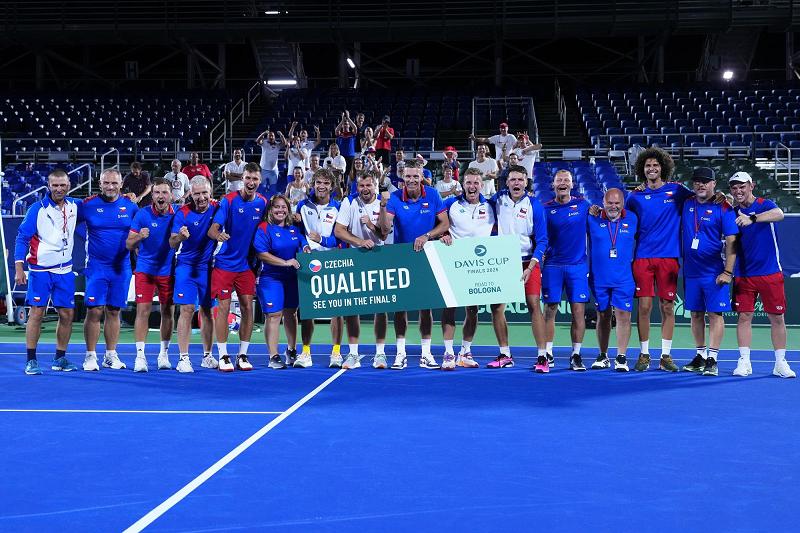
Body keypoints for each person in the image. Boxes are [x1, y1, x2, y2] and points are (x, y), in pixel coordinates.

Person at [624, 147, 695, 372]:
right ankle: (644, 354)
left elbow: (701, 198)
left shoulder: (677, 191)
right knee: (644, 307)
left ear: (663, 167)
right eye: (648, 165)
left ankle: (665, 356)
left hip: (668, 257)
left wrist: (723, 197)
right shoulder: (634, 197)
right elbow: (620, 219)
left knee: (667, 307)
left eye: (655, 165)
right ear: (642, 169)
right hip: (642, 257)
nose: (652, 168)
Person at [379, 159, 450, 370]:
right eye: (408, 176)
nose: (411, 180)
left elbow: (444, 224)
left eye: (415, 176)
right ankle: (400, 353)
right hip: (402, 258)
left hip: (427, 257)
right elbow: (384, 229)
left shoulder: (433, 195)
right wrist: (382, 206)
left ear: (422, 177)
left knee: (425, 308)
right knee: (400, 308)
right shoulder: (394, 198)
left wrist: (427, 235)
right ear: (403, 177)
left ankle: (426, 354)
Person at [729, 171, 795, 378]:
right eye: (734, 188)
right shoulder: (732, 212)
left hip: (770, 271)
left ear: (751, 186)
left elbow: (780, 214)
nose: (738, 191)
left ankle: (780, 363)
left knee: (777, 318)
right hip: (743, 274)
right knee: (744, 317)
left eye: (742, 186)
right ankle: (744, 361)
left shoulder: (764, 204)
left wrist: (752, 218)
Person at [14, 170, 80, 375]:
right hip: (40, 270)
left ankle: (59, 358)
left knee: (67, 314)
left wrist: (126, 197)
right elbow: (22, 238)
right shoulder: (37, 209)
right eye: (55, 185)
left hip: (65, 270)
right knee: (37, 313)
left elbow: (99, 204)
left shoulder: (75, 205)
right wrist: (19, 268)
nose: (59, 189)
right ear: (49, 186)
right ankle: (31, 360)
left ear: (69, 185)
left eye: (63, 185)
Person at [678, 168, 738, 377]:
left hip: (714, 272)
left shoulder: (724, 207)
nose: (701, 185)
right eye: (697, 181)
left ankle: (713, 359)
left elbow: (732, 241)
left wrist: (728, 271)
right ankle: (700, 356)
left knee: (714, 314)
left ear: (714, 184)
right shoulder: (686, 203)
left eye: (705, 181)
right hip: (691, 272)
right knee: (695, 314)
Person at [208, 162, 268, 372]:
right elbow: (212, 229)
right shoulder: (229, 200)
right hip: (225, 264)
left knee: (247, 308)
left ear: (260, 181)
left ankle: (242, 354)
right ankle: (223, 355)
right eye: (248, 178)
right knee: (223, 309)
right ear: (242, 179)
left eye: (255, 179)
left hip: (247, 266)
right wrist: (218, 235)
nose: (251, 182)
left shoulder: (263, 203)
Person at [80, 168, 139, 371]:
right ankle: (90, 356)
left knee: (114, 311)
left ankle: (110, 355)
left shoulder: (131, 206)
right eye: (106, 183)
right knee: (94, 310)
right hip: (96, 267)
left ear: (121, 184)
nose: (110, 186)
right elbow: (65, 216)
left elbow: (138, 235)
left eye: (114, 183)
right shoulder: (87, 205)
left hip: (121, 267)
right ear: (100, 184)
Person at [490, 164, 548, 370]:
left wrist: (531, 266)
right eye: (513, 179)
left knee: (534, 305)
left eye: (520, 179)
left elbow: (542, 240)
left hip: (527, 262)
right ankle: (505, 354)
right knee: (497, 308)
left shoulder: (535, 205)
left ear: (526, 182)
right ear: (507, 182)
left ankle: (542, 357)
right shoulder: (497, 200)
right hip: (503, 262)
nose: (516, 183)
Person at [439, 168, 495, 370]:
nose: (472, 187)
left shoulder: (491, 206)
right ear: (462, 184)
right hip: (454, 263)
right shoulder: (450, 204)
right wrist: (443, 234)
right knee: (450, 308)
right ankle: (448, 353)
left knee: (473, 310)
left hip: (479, 267)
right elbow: (437, 223)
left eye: (476, 183)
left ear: (482, 185)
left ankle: (465, 352)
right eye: (468, 182)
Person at [334, 171, 390, 369]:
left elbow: (384, 234)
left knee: (380, 308)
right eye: (361, 185)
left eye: (368, 185)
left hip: (380, 258)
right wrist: (359, 242)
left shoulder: (384, 203)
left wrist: (372, 224)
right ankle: (353, 353)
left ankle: (380, 353)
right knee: (352, 308)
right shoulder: (349, 202)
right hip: (355, 258)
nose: (365, 189)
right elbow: (339, 230)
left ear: (375, 186)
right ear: (357, 186)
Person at [541, 170, 591, 371]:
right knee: (550, 310)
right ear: (553, 185)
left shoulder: (584, 205)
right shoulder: (545, 208)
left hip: (577, 267)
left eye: (566, 180)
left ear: (572, 185)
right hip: (552, 266)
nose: (562, 183)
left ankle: (576, 355)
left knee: (578, 311)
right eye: (559, 180)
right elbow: (537, 234)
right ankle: (547, 353)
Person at [125, 178, 177, 372]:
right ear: (152, 195)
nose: (160, 196)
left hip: (167, 271)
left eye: (164, 192)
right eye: (157, 192)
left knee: (167, 312)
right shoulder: (142, 214)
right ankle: (140, 357)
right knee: (143, 311)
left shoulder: (177, 214)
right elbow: (129, 244)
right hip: (145, 270)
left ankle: (164, 354)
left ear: (171, 195)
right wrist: (139, 236)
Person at [254, 195, 310, 369]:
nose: (280, 210)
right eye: (276, 207)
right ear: (270, 210)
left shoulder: (293, 229)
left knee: (291, 313)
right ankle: (273, 356)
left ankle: (291, 350)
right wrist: (285, 262)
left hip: (292, 278)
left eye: (283, 207)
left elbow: (302, 242)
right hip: (270, 278)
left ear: (288, 209)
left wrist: (306, 248)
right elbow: (262, 254)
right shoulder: (264, 228)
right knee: (273, 315)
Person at [169, 177, 220, 372]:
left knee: (207, 311)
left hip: (207, 268)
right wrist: (180, 237)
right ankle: (183, 358)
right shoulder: (183, 213)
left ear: (210, 192)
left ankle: (208, 356)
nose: (201, 197)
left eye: (204, 192)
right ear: (190, 194)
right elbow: (171, 243)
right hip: (186, 267)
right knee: (187, 309)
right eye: (196, 193)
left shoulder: (217, 208)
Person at [295, 168, 343, 368]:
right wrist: (304, 246)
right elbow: (297, 232)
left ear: (332, 187)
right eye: (318, 182)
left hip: (332, 260)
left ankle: (336, 352)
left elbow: (340, 237)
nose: (321, 186)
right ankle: (306, 352)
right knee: (308, 310)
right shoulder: (302, 205)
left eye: (326, 183)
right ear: (313, 184)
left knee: (336, 310)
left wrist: (322, 240)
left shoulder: (338, 207)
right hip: (310, 261)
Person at [587, 188, 638, 372]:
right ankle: (603, 355)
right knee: (603, 315)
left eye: (617, 203)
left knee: (624, 316)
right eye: (610, 203)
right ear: (603, 202)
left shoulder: (632, 219)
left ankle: (621, 357)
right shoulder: (592, 218)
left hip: (624, 278)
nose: (613, 206)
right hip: (599, 279)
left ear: (623, 203)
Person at [256, 126, 290, 196]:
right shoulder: (264, 143)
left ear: (274, 137)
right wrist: (263, 133)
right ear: (267, 137)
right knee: (261, 188)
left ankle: (272, 201)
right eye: (269, 136)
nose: (271, 137)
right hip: (263, 170)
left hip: (273, 171)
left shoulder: (277, 144)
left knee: (273, 189)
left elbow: (284, 143)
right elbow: (257, 141)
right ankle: (260, 201)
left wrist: (281, 135)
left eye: (272, 136)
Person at [335, 110, 358, 176]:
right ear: (342, 125)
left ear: (349, 125)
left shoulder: (352, 133)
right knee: (342, 173)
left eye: (347, 124)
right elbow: (336, 130)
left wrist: (348, 118)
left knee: (351, 173)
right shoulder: (340, 134)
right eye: (344, 124)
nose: (345, 125)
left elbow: (355, 128)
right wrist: (342, 120)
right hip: (341, 156)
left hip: (351, 155)